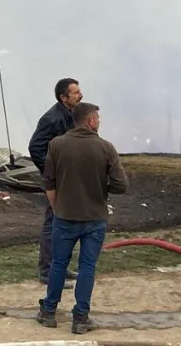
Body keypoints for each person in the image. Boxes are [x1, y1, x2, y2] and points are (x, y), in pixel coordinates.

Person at [36, 102, 129, 335]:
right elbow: (121, 185)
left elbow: (49, 182)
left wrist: (58, 207)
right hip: (95, 218)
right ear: (90, 121)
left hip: (64, 216)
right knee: (87, 267)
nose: (99, 121)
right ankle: (80, 318)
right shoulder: (106, 148)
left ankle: (48, 312)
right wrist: (101, 188)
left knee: (58, 263)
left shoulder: (56, 145)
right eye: (97, 117)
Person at [28, 78, 83, 285]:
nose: (80, 95)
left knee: (66, 224)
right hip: (58, 180)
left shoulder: (72, 115)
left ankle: (60, 266)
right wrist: (52, 173)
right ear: (63, 97)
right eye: (76, 92)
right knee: (53, 223)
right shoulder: (52, 118)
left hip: (69, 179)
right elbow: (35, 147)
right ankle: (47, 271)